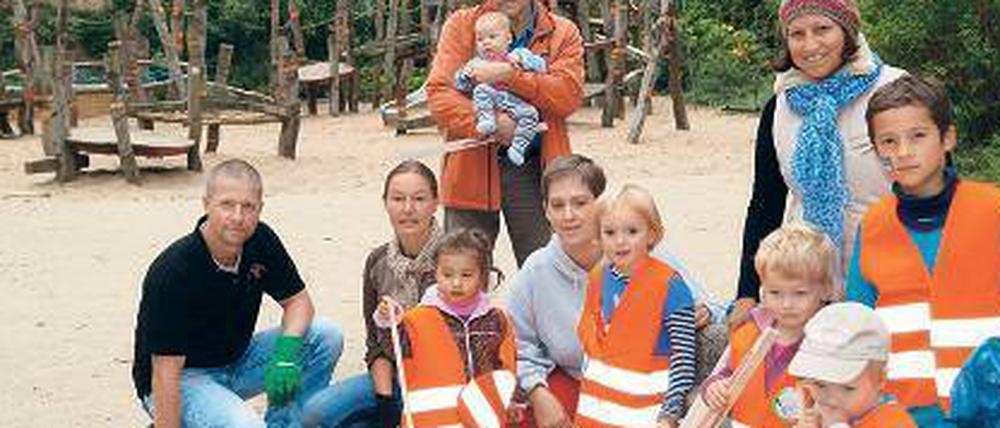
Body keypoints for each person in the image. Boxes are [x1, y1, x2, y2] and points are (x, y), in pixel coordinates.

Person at [507, 154, 726, 428]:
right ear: (546, 210)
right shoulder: (535, 271)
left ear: (600, 205)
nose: (568, 215)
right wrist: (537, 393)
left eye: (580, 203)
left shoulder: (645, 255)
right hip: (585, 385)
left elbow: (715, 309)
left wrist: (705, 311)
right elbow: (519, 345)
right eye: (557, 205)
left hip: (656, 389)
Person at [730, 0, 907, 325]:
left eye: (822, 29)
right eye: (797, 34)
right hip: (804, 285)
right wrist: (747, 293)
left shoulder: (895, 92)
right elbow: (765, 204)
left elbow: (936, 186)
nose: (810, 45)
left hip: (890, 273)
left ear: (847, 31)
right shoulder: (779, 109)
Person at [131, 159, 343, 428]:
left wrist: (285, 356)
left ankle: (288, 423)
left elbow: (298, 302)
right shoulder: (174, 271)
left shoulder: (260, 240)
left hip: (236, 360)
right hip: (182, 378)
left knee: (325, 335)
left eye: (248, 207)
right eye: (227, 205)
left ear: (260, 209)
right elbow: (165, 372)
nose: (238, 217)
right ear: (206, 204)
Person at [846, 75, 1000, 425]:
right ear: (876, 151)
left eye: (918, 136)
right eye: (888, 141)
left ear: (947, 138)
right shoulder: (872, 226)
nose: (903, 152)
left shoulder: (993, 211)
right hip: (900, 416)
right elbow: (857, 328)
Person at [426, 0, 584, 266]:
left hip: (537, 167)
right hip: (469, 166)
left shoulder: (563, 32)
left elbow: (568, 96)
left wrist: (511, 76)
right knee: (461, 272)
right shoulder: (461, 25)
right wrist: (492, 124)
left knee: (545, 270)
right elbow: (440, 95)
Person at [302, 160, 443, 427]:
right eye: (398, 199)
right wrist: (385, 399)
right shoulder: (378, 261)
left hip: (441, 382)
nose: (408, 209)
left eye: (419, 199)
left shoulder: (457, 257)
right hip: (392, 377)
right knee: (316, 413)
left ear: (436, 202)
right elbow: (375, 343)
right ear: (385, 203)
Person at [575, 185, 697, 427]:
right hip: (596, 414)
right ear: (598, 236)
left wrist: (669, 414)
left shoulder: (671, 286)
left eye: (632, 231)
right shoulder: (598, 278)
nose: (620, 241)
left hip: (648, 413)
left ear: (651, 234)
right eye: (609, 232)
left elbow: (683, 359)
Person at [376, 228, 518, 426]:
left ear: (483, 276)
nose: (456, 283)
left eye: (466, 275)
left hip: (483, 420)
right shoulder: (416, 319)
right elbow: (393, 349)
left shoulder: (498, 320)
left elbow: (508, 367)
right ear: (435, 273)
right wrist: (388, 322)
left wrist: (514, 401)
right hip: (432, 421)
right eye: (447, 274)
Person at [700, 223, 834, 427]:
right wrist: (713, 388)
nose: (787, 304)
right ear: (762, 290)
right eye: (775, 293)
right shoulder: (749, 330)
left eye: (800, 293)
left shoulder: (830, 344)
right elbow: (721, 374)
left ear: (825, 289)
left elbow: (844, 405)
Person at [789, 302, 916, 427]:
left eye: (847, 388)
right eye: (820, 385)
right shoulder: (813, 412)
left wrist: (836, 425)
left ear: (880, 379)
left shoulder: (893, 421)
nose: (831, 400)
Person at [455, 11, 547, 166]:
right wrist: (465, 75)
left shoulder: (517, 54)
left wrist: (521, 59)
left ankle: (518, 147)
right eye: (480, 39)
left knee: (531, 114)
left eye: (492, 37)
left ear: (508, 39)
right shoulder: (476, 62)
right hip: (493, 99)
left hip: (515, 100)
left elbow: (542, 66)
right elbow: (461, 86)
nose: (486, 43)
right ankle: (487, 119)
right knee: (480, 90)